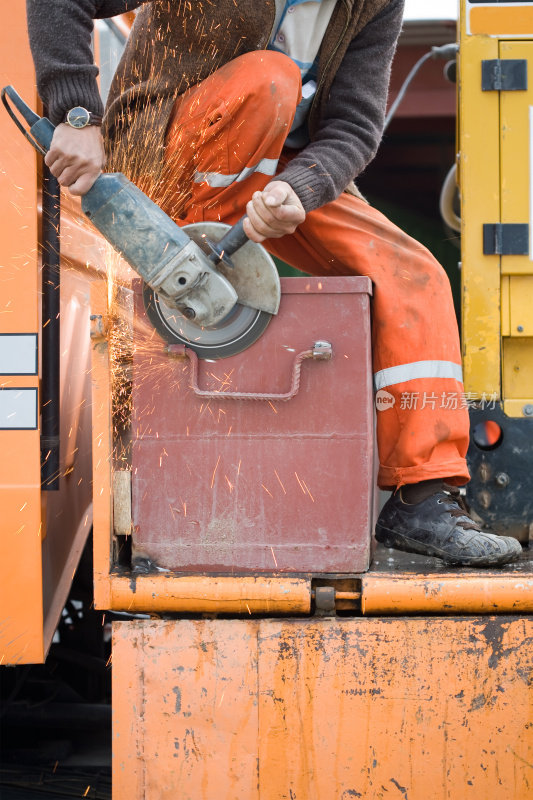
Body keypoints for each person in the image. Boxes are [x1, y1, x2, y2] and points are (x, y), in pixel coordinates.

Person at [26, 0, 521, 567]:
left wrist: (302, 189)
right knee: (272, 77)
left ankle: (425, 495)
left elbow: (353, 127)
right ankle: (193, 266)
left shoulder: (376, 4)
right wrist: (78, 117)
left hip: (278, 174)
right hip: (167, 159)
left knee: (413, 274)